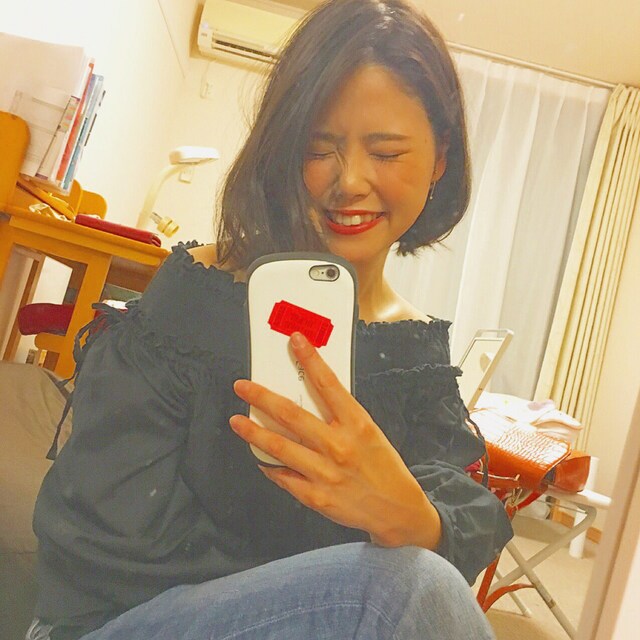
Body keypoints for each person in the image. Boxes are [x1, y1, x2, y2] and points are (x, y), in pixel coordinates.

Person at [28, 1, 513, 638]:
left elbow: (455, 512)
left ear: (440, 160)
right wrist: (324, 583)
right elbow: (104, 536)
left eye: (387, 152)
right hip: (119, 620)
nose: (350, 181)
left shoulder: (413, 352)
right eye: (319, 148)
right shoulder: (198, 297)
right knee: (403, 593)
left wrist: (412, 519)